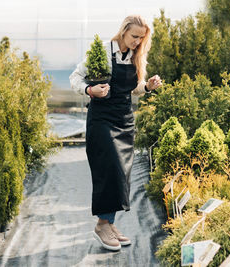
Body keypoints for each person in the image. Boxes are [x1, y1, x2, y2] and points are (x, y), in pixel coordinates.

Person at [69, 15, 162, 251]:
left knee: (122, 173)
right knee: (109, 169)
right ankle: (102, 225)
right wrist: (91, 90)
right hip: (101, 119)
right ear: (123, 31)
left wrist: (148, 87)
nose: (137, 42)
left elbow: (135, 89)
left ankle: (109, 224)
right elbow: (75, 78)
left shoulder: (136, 57)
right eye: (134, 36)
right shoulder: (102, 51)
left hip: (124, 120)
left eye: (141, 38)